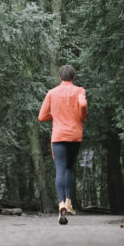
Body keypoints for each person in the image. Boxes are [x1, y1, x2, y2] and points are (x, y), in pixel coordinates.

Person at [38, 64, 88, 224]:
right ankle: (68, 202)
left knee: (60, 169)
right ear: (74, 77)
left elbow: (42, 116)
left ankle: (61, 205)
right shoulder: (79, 90)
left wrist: (55, 114)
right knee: (70, 168)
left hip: (58, 135)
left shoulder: (52, 93)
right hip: (74, 135)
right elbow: (83, 105)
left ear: (60, 78)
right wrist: (82, 117)